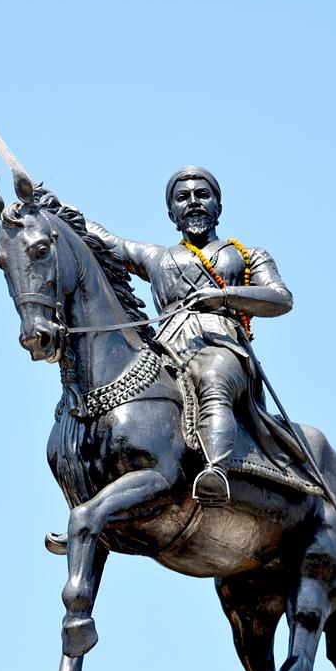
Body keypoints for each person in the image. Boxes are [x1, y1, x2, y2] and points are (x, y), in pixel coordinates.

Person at [83, 166, 294, 504]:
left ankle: (215, 472)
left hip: (221, 344)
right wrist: (51, 207)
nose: (193, 202)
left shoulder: (247, 255)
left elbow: (282, 299)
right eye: (183, 198)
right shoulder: (157, 258)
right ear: (172, 213)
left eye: (202, 195)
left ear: (218, 207)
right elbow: (105, 241)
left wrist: (224, 297)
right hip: (164, 349)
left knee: (213, 379)